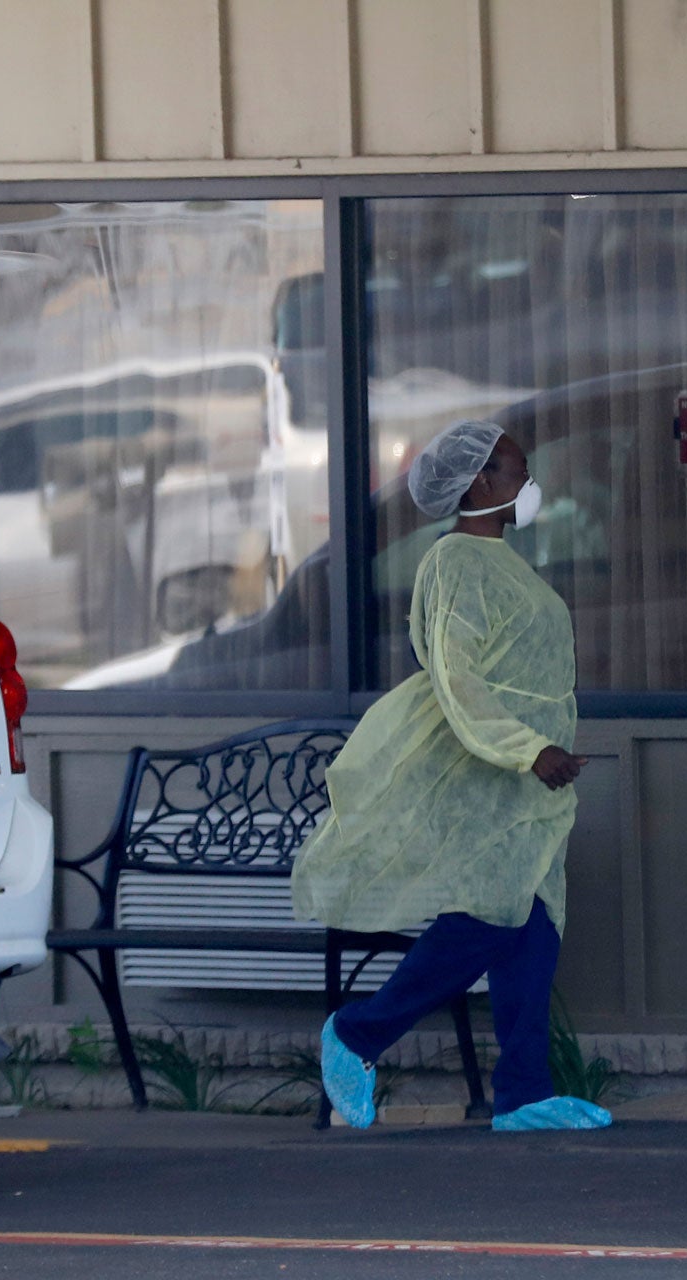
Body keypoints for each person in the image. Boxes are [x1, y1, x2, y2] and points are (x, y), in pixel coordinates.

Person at [290, 419, 608, 1133]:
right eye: (518, 474)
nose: (530, 488)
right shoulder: (454, 564)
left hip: (531, 781)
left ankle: (524, 1094)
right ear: (479, 485)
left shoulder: (505, 563)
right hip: (493, 773)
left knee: (534, 928)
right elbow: (459, 679)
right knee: (483, 923)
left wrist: (541, 754)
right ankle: (357, 1034)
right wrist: (528, 748)